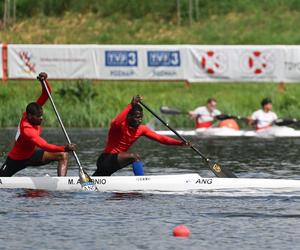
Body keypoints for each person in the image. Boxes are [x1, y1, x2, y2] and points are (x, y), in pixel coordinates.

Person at [0, 72, 76, 177]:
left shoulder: (33, 111)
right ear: (30, 117)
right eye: (39, 117)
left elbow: (47, 94)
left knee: (63, 156)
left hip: (32, 155)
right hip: (16, 160)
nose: (41, 118)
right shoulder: (27, 130)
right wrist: (64, 147)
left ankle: (62, 185)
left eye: (41, 115)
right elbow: (44, 145)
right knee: (2, 178)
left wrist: (43, 82)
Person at [93, 95, 190, 176]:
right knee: (135, 157)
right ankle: (141, 181)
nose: (140, 120)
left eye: (141, 117)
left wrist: (179, 143)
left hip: (114, 163)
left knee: (94, 181)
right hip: (106, 159)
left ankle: (86, 182)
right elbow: (117, 122)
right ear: (129, 117)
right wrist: (131, 105)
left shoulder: (141, 129)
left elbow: (161, 138)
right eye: (137, 117)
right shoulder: (119, 126)